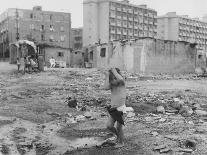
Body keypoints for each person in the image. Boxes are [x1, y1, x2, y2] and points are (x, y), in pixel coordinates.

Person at [101, 67, 126, 148]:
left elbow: (121, 79)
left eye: (115, 76)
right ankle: (118, 137)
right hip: (113, 108)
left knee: (119, 127)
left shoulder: (121, 83)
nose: (114, 78)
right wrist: (107, 76)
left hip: (121, 108)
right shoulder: (112, 84)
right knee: (109, 125)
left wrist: (115, 72)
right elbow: (105, 87)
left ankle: (121, 142)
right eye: (113, 77)